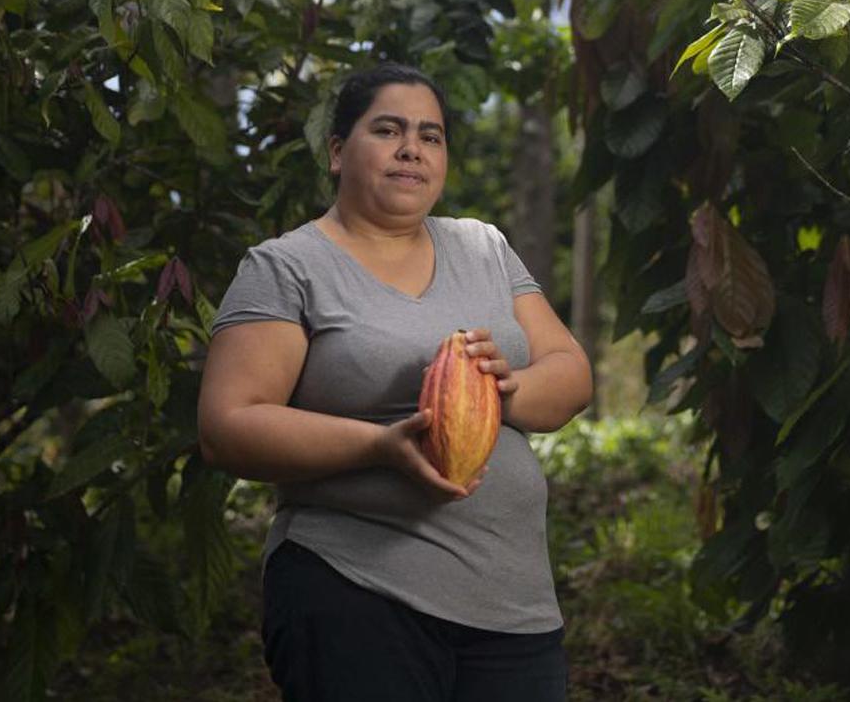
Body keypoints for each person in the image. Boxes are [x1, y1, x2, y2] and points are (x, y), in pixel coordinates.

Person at [197, 63, 593, 702]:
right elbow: (228, 426)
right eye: (388, 130)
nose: (412, 148)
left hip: (512, 604)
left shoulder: (484, 247)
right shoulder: (287, 268)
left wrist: (500, 388)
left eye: (431, 136)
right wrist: (380, 447)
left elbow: (570, 374)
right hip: (355, 592)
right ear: (336, 152)